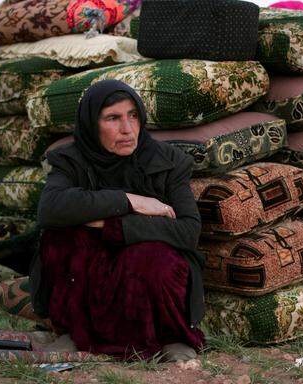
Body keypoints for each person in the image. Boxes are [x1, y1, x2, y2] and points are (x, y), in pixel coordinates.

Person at [29, 80, 205, 361]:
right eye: (113, 118)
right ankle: (75, 332)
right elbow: (50, 209)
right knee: (60, 241)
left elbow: (187, 231)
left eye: (133, 115)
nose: (127, 129)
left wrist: (112, 225)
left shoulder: (169, 161)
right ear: (92, 123)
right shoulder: (71, 160)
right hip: (91, 263)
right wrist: (130, 200)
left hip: (143, 259)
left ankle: (171, 337)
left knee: (154, 259)